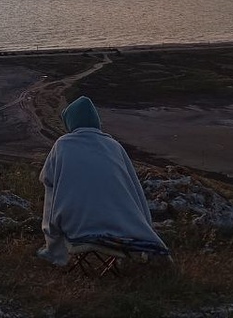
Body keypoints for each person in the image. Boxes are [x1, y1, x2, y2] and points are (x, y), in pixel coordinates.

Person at [37, 96, 168, 266]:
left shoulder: (62, 145)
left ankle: (54, 251)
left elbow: (46, 178)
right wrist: (144, 226)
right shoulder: (114, 146)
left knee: (51, 188)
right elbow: (135, 189)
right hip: (124, 228)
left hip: (77, 229)